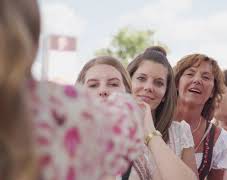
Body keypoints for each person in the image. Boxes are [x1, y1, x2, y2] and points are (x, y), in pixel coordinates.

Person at [0, 0, 146, 179]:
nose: (103, 90)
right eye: (92, 85)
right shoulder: (65, 107)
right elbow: (128, 119)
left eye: (114, 83)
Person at [127, 46, 198, 180]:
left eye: (158, 83)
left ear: (165, 93)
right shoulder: (108, 130)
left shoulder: (180, 132)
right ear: (128, 82)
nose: (148, 87)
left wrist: (150, 132)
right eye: (141, 78)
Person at [173, 54, 227, 180]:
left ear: (212, 92)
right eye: (190, 74)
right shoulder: (153, 122)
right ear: (176, 83)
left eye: (206, 77)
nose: (197, 80)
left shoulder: (220, 140)